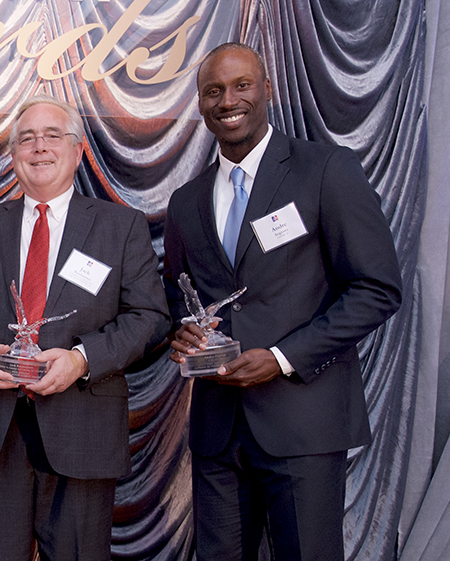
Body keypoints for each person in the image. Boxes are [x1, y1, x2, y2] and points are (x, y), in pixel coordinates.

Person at [163, 42, 403, 560]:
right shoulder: (186, 201)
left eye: (241, 85)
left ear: (267, 89)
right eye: (213, 91)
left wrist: (281, 358)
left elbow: (377, 288)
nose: (228, 100)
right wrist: (179, 331)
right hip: (217, 431)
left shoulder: (325, 170)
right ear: (201, 105)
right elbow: (177, 294)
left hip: (305, 421)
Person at [0, 95, 169, 561]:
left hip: (83, 428)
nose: (39, 147)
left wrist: (83, 359)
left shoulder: (120, 227)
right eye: (27, 138)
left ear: (78, 150)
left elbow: (151, 318)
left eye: (52, 136)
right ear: (13, 155)